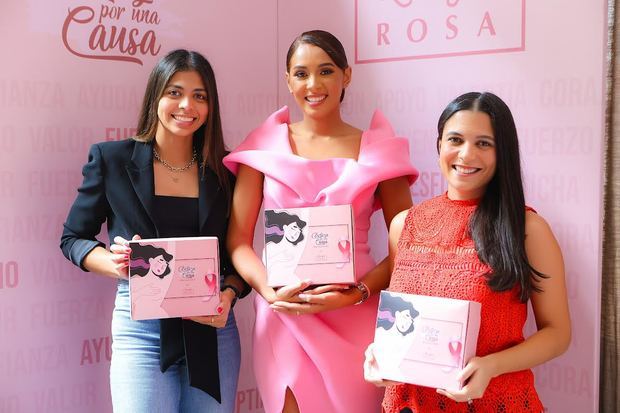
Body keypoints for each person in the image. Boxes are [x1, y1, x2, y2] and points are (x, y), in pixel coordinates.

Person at [224, 30, 418, 412]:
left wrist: (357, 293)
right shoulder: (263, 147)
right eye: (300, 74)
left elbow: (407, 251)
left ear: (346, 75)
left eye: (325, 71)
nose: (313, 85)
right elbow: (237, 241)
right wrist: (269, 291)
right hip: (285, 315)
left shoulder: (379, 150)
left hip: (357, 312)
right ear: (288, 81)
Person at [60, 49, 249, 413]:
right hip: (141, 330)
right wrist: (114, 263)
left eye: (200, 96)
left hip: (212, 332)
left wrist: (228, 294)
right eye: (175, 92)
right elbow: (73, 239)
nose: (186, 105)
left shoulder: (226, 173)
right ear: (156, 96)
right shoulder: (111, 159)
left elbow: (236, 255)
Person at [364, 92, 571, 412]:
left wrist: (491, 366)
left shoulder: (528, 229)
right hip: (411, 404)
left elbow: (558, 333)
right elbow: (404, 321)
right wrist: (380, 355)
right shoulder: (404, 225)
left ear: (503, 153)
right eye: (455, 139)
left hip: (494, 402)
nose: (466, 153)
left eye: (484, 143)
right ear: (439, 146)